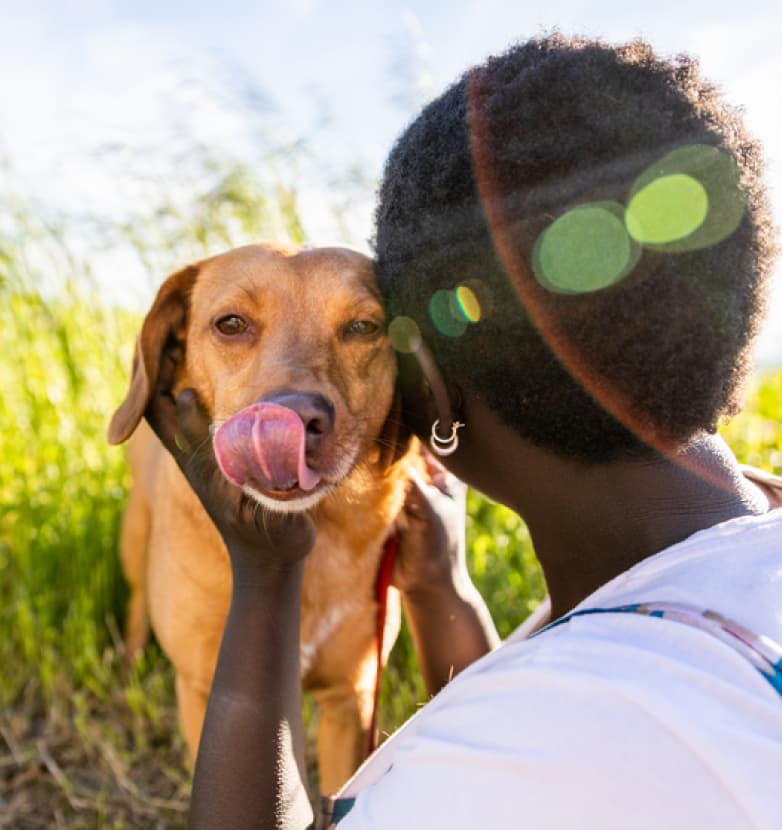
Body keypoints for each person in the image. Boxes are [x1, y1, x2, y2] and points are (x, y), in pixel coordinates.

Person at [145, 34, 782, 829]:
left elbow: (510, 744)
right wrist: (443, 589)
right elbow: (527, 693)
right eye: (235, 325)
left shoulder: (477, 780)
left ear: (429, 391)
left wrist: (266, 584)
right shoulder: (737, 543)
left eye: (364, 330)